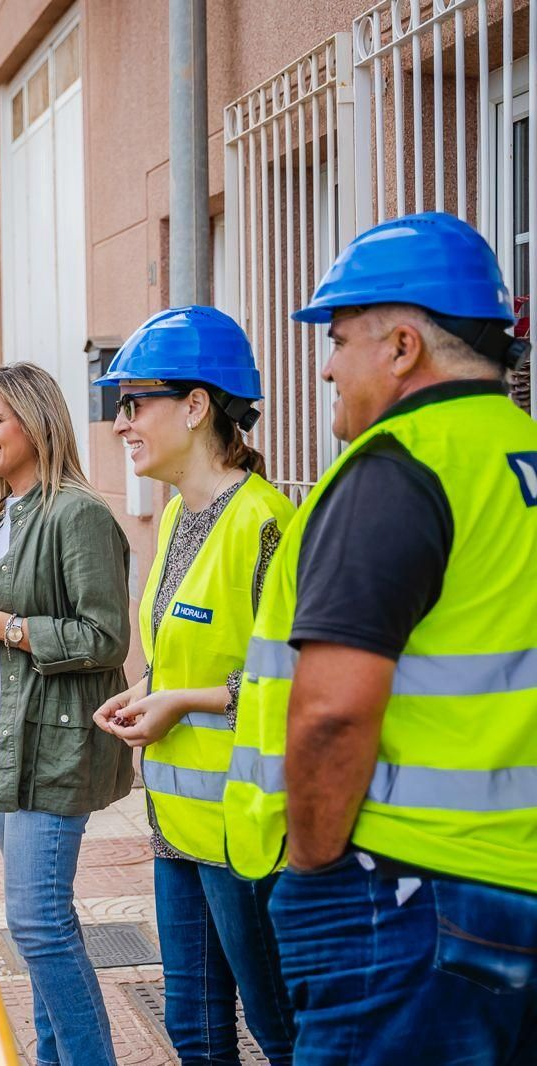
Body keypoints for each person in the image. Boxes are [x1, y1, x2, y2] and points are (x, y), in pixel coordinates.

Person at [223, 212, 537, 1064]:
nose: (325, 364)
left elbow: (330, 715)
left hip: (405, 898)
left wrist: (317, 867)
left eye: (339, 338)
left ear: (402, 347)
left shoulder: (396, 469)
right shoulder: (521, 456)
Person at [90, 307, 296, 1065]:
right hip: (178, 831)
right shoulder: (178, 515)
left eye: (135, 403)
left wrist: (184, 703)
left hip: (252, 838)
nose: (121, 424)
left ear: (198, 405)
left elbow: (296, 679)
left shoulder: (266, 522)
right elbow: (189, 654)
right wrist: (149, 688)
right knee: (198, 1035)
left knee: (284, 1033)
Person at [0, 361, 132, 1066]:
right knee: (34, 926)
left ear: (37, 421)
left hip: (52, 742)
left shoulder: (77, 513)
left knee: (40, 922)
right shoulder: (4, 513)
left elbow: (106, 637)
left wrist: (6, 627)